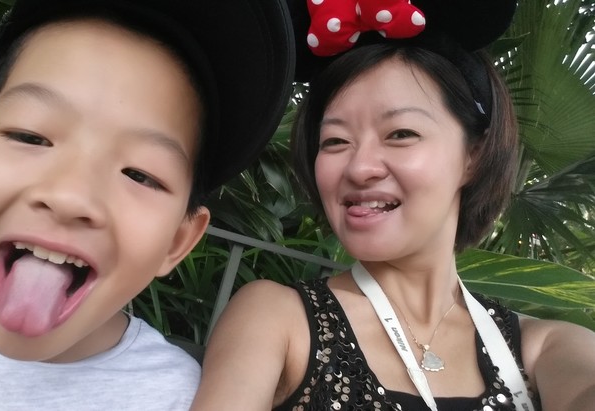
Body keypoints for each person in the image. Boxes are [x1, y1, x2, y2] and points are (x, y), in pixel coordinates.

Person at [0, 0, 295, 409]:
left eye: (139, 174)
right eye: (30, 137)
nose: (70, 197)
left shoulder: (177, 401)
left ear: (177, 242)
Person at [191, 0, 595, 410]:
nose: (359, 167)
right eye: (335, 141)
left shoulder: (543, 349)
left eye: (400, 133)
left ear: (473, 154)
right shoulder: (277, 319)